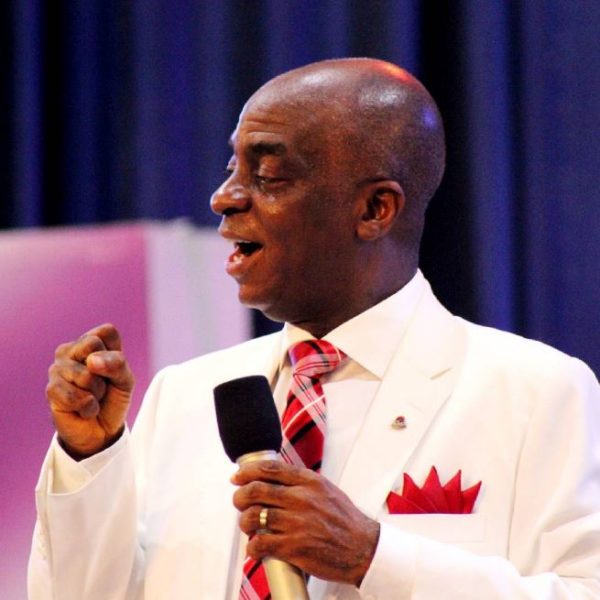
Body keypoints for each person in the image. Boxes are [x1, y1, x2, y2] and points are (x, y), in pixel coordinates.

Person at [29, 58, 600, 599]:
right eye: (232, 170)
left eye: (268, 175)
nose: (224, 198)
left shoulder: (535, 391)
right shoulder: (185, 393)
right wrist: (90, 455)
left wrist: (373, 556)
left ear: (375, 209)